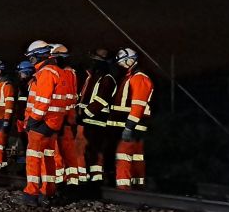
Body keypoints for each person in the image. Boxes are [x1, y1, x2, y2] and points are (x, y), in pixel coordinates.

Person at [13, 40, 68, 207]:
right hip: (54, 123)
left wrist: (32, 121)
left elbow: (42, 102)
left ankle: (32, 193)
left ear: (36, 57)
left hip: (41, 123)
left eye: (31, 58)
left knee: (33, 159)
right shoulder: (58, 72)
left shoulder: (45, 73)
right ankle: (48, 191)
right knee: (48, 157)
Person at [109, 48, 153, 190]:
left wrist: (129, 127)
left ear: (131, 60)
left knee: (124, 155)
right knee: (136, 156)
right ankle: (138, 186)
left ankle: (124, 188)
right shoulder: (131, 77)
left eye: (123, 62)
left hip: (132, 126)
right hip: (134, 125)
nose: (121, 65)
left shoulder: (139, 78)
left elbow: (138, 106)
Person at [77, 49, 117, 196]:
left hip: (97, 122)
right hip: (87, 121)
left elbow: (100, 101)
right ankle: (90, 180)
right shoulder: (93, 77)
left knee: (94, 152)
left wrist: (84, 113)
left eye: (95, 59)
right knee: (88, 152)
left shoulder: (107, 79)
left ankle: (94, 182)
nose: (93, 62)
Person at [50, 45, 80, 190]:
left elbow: (65, 99)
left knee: (57, 152)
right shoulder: (71, 73)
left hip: (58, 119)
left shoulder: (62, 73)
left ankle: (60, 182)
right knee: (68, 151)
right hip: (67, 119)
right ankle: (71, 182)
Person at [14, 60, 34, 166]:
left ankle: (28, 161)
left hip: (28, 118)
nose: (20, 75)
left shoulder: (32, 85)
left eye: (21, 73)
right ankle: (24, 159)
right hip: (21, 117)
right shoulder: (22, 86)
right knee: (22, 139)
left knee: (28, 141)